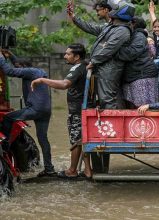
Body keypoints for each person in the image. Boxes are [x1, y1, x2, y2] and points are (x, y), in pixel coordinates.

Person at [30, 44, 92, 179]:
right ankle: (87, 171)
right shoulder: (84, 66)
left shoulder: (77, 68)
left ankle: (72, 170)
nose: (65, 56)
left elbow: (64, 85)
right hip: (82, 109)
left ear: (77, 57)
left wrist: (42, 80)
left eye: (68, 54)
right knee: (82, 139)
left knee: (76, 140)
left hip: (77, 111)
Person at [68, 0, 134, 109]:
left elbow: (109, 48)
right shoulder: (111, 26)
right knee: (105, 97)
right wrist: (74, 18)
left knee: (107, 98)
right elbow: (91, 27)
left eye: (114, 9)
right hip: (103, 67)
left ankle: (112, 124)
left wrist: (94, 61)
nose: (110, 10)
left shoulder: (122, 30)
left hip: (110, 69)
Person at [0, 50, 55, 177]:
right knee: (43, 138)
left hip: (35, 109)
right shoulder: (36, 72)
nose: (18, 70)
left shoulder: (29, 72)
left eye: (19, 68)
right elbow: (17, 64)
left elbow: (10, 72)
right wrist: (10, 55)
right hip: (45, 110)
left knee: (8, 118)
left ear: (24, 67)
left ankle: (5, 145)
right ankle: (49, 168)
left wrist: (1, 58)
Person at [116, 17, 159, 109]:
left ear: (133, 24)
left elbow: (132, 53)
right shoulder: (135, 36)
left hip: (142, 75)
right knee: (139, 109)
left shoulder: (139, 36)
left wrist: (116, 50)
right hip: (138, 75)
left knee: (144, 109)